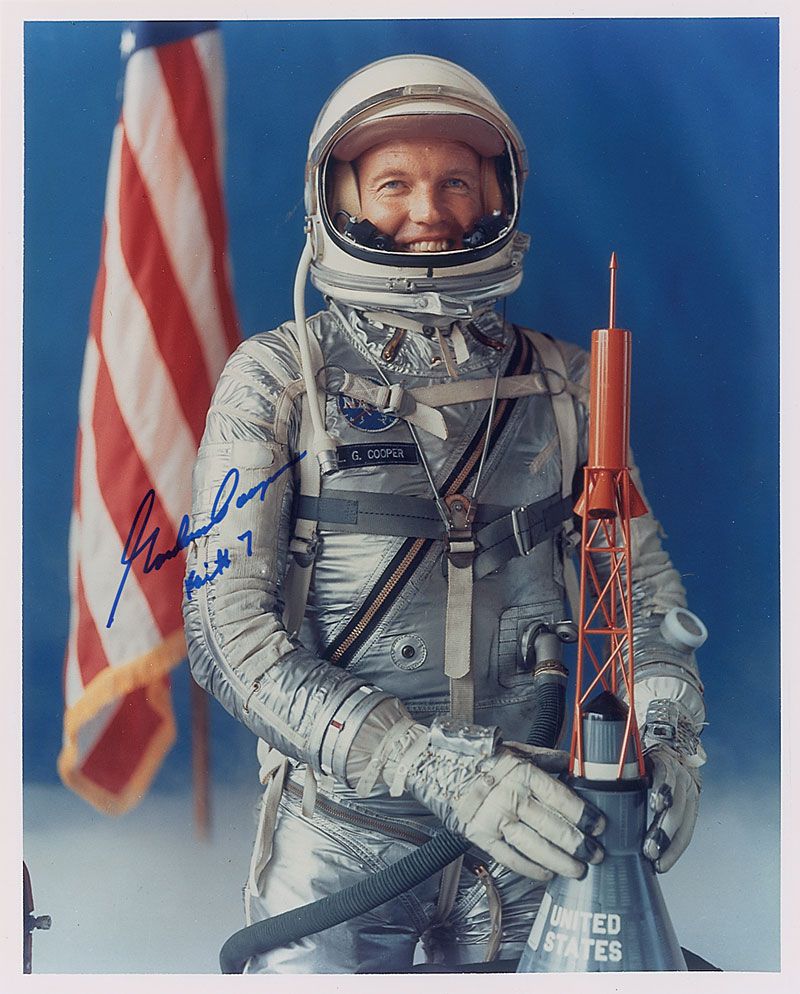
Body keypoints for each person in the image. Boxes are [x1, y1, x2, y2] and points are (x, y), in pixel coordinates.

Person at [183, 54, 706, 974]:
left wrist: (665, 733)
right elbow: (225, 633)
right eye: (394, 184)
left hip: (532, 829)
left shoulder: (565, 386)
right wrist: (424, 762)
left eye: (455, 182)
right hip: (344, 834)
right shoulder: (279, 380)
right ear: (339, 201)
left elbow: (642, 599)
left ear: (496, 198)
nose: (428, 211)